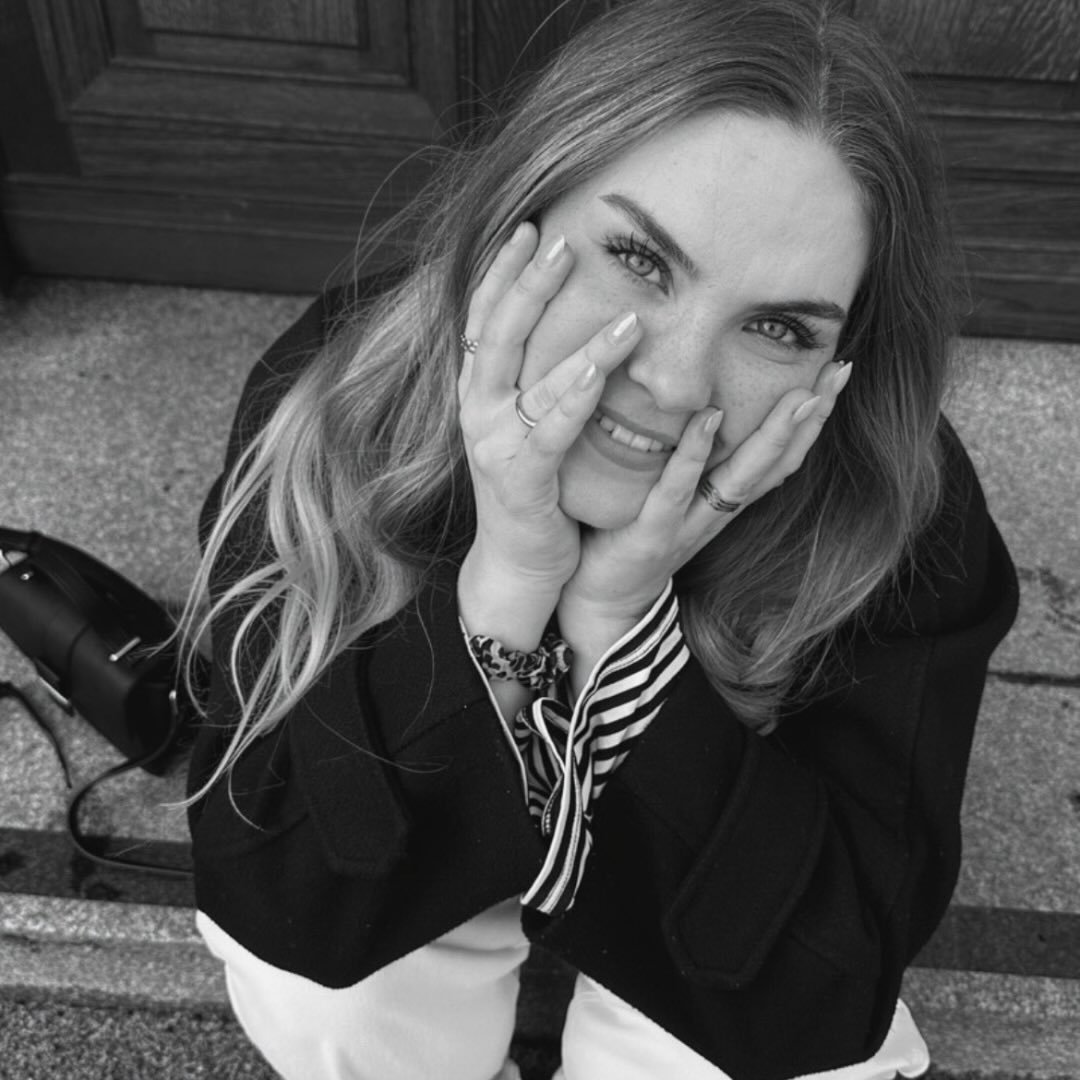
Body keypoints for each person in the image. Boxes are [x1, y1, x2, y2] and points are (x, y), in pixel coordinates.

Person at [180, 1, 1019, 1077]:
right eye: (638, 258)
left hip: (682, 887)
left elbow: (828, 983)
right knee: (329, 1003)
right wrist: (507, 585)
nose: (672, 381)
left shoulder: (898, 510)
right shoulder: (344, 394)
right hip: (420, 858)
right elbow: (284, 895)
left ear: (840, 360)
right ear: (518, 209)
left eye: (778, 327)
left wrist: (618, 631)